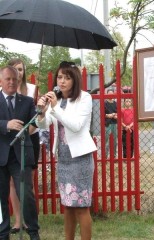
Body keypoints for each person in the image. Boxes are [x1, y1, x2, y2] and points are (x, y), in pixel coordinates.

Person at [36, 61, 97, 240]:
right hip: (63, 159)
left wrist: (54, 108)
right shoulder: (58, 99)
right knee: (68, 206)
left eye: (67, 78)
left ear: (75, 79)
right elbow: (43, 124)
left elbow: (77, 126)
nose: (62, 81)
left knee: (81, 207)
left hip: (80, 159)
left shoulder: (84, 98)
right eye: (60, 77)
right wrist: (41, 111)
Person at [0, 65, 40, 240]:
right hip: (0, 155)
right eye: (8, 79)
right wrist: (5, 125)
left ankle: (33, 232)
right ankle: (3, 233)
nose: (11, 82)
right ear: (0, 81)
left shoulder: (27, 101)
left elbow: (35, 124)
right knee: (0, 197)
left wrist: (40, 114)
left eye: (15, 79)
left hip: (21, 155)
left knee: (26, 194)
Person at [104, 88, 117, 158]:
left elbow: (119, 113)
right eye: (109, 94)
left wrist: (115, 115)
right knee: (107, 141)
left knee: (114, 141)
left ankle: (114, 156)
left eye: (112, 93)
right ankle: (105, 156)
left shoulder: (116, 103)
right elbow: (102, 113)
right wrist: (108, 115)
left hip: (115, 123)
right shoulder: (104, 103)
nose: (110, 95)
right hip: (107, 124)